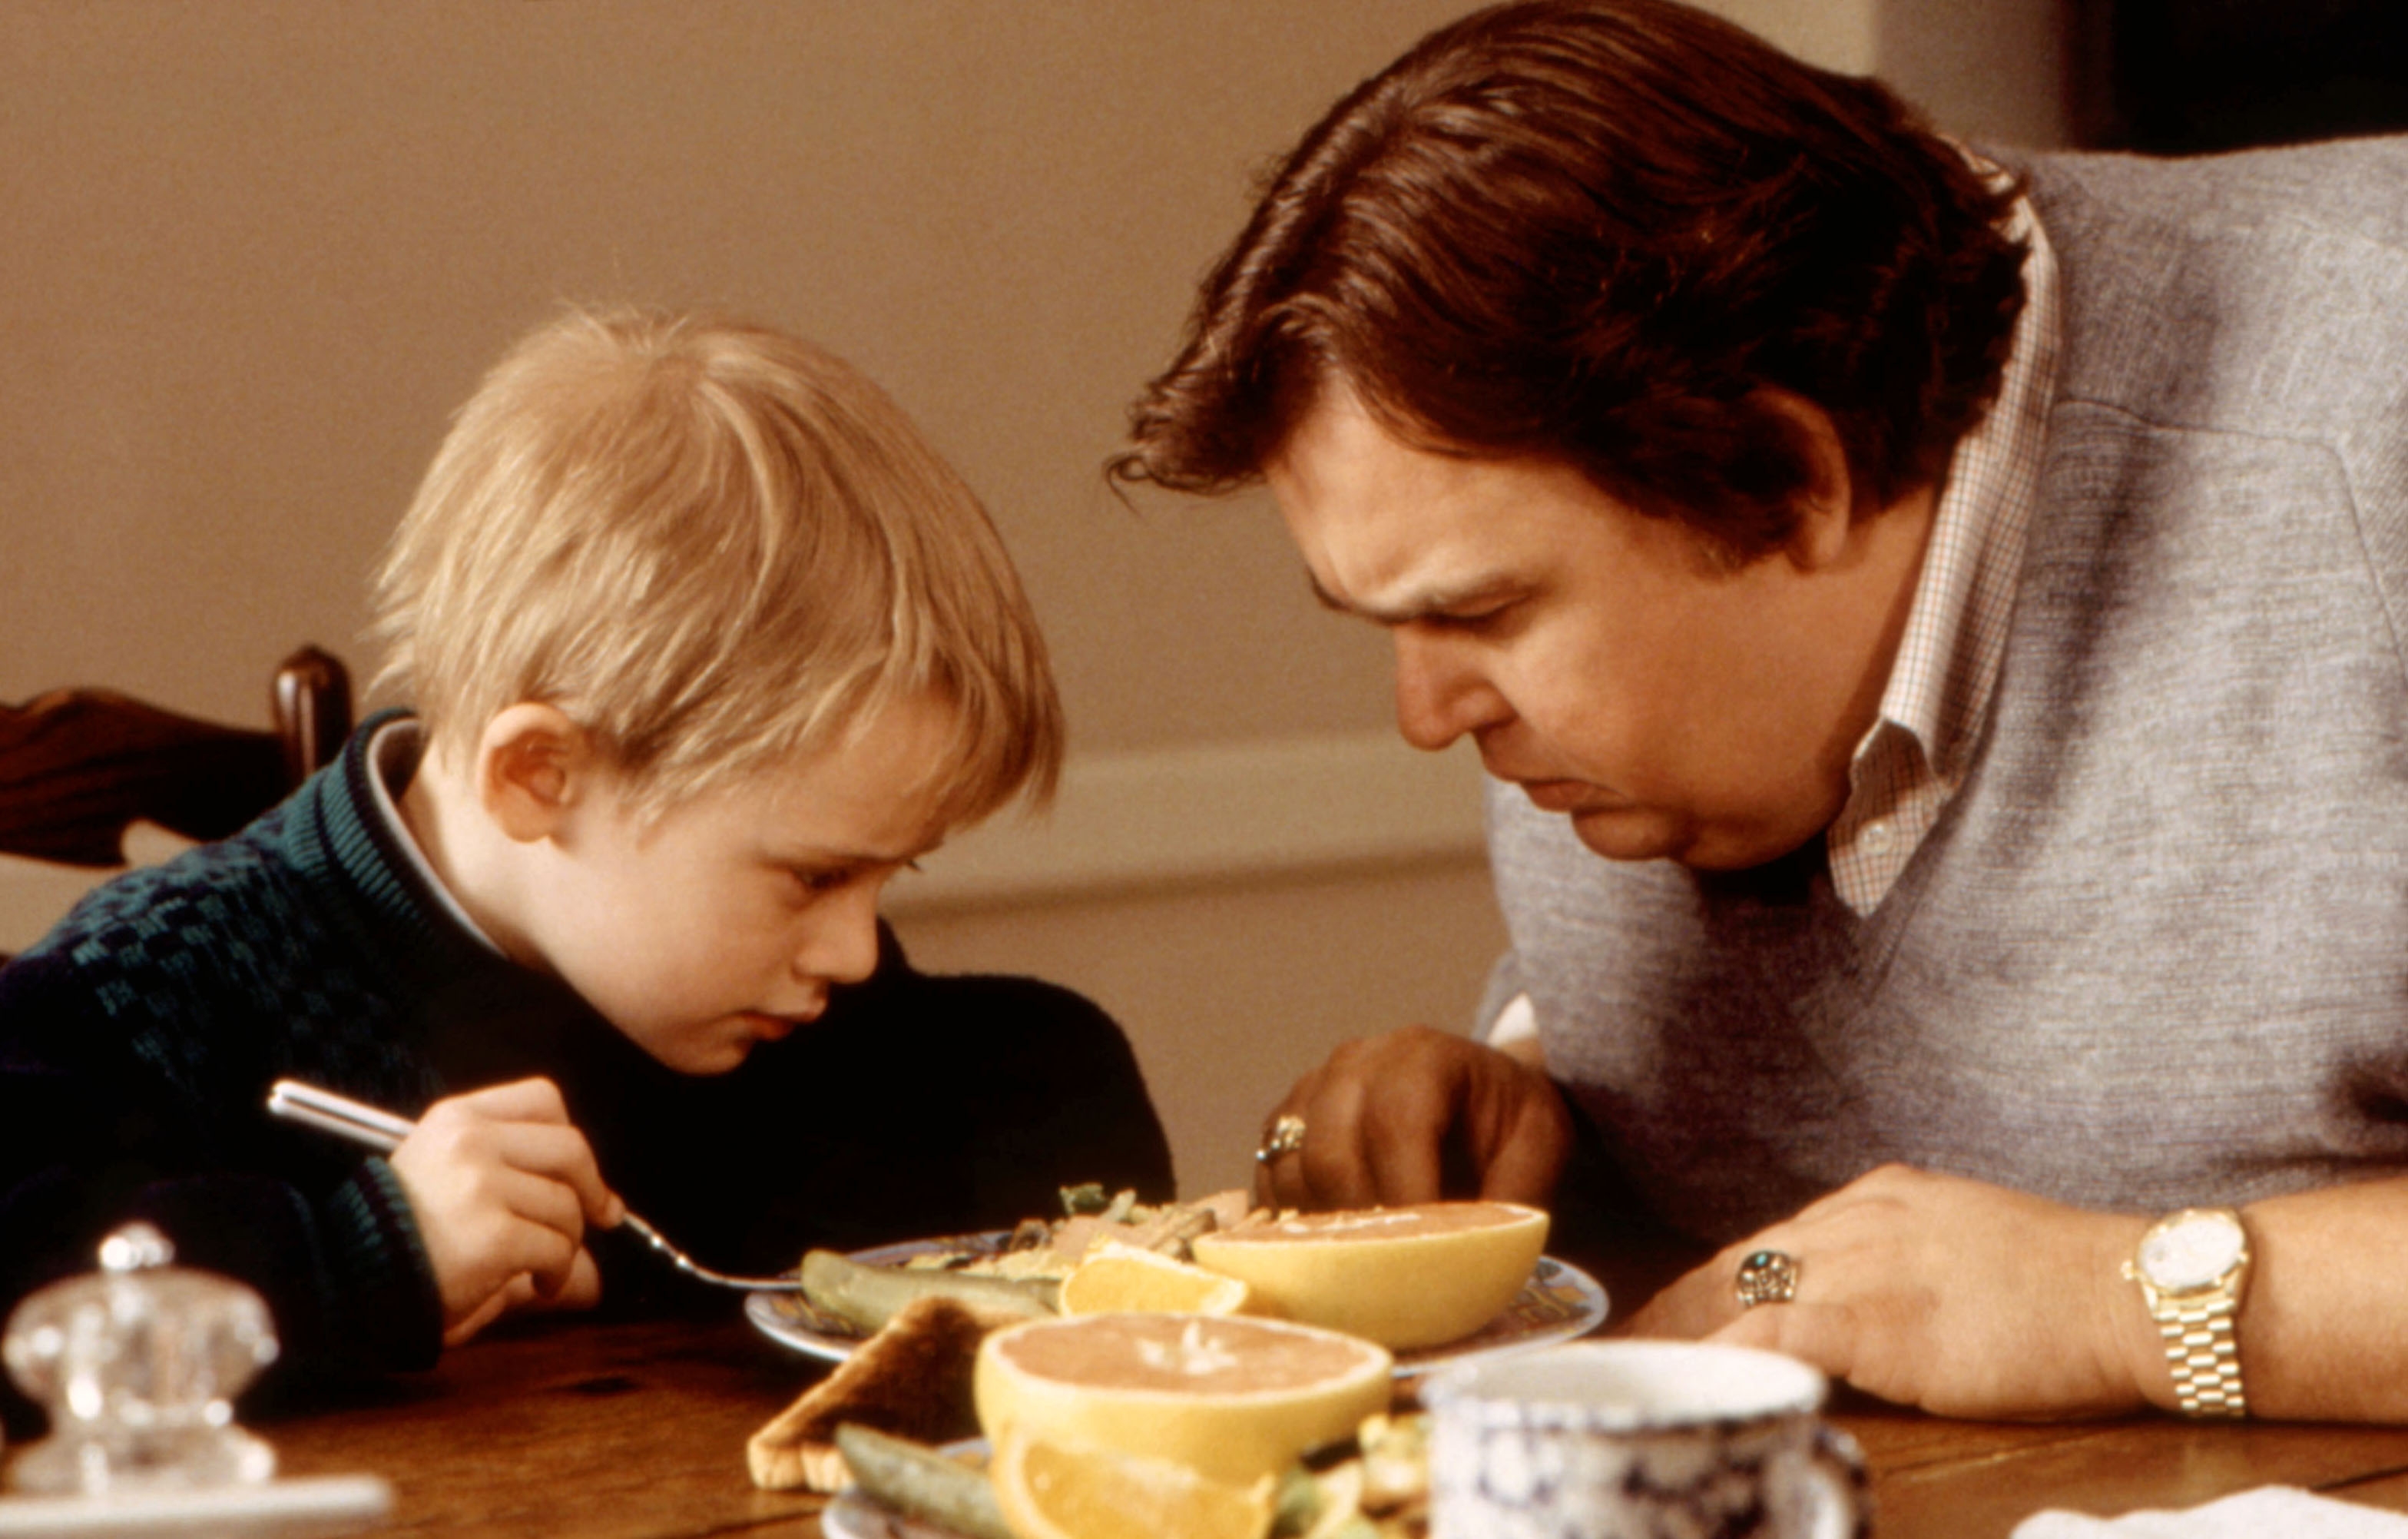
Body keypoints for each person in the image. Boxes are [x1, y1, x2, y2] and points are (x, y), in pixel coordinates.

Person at [1111, 0, 2408, 1422]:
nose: (1424, 718)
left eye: (1479, 616)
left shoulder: (2374, 425)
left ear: (1795, 479)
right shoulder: (1647, 620)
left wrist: (2125, 1301)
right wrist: (1542, 1093)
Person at [0, 307, 1171, 1430]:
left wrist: (640, 1268)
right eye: (814, 879)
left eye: (887, 880)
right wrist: (367, 1253)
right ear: (539, 778)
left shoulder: (784, 997)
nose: (855, 952)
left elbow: (1042, 1108)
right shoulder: (161, 985)